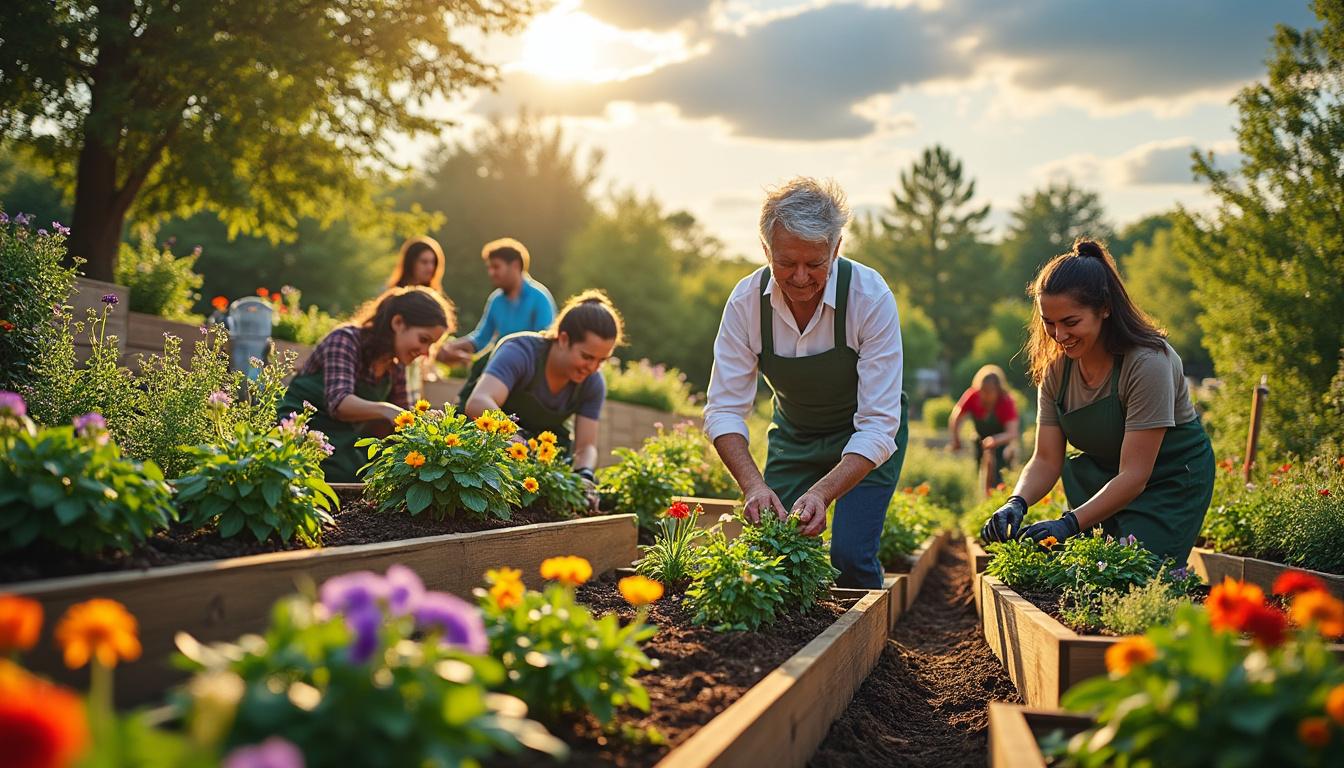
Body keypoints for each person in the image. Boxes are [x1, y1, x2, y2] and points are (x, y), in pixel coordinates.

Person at [703, 177, 907, 589]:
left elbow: (879, 425)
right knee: (772, 552)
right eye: (785, 262)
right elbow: (724, 409)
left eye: (814, 263)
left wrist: (823, 493)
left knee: (850, 556)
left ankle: (870, 647)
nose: (799, 277)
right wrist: (754, 487)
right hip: (794, 436)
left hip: (865, 442)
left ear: (837, 247)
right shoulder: (746, 304)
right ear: (766, 251)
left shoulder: (868, 297)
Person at [980, 238, 1215, 565]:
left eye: (1071, 322)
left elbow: (1135, 474)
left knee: (1131, 571)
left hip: (1168, 482)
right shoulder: (1056, 370)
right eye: (1049, 322)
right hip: (1107, 479)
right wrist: (1016, 502)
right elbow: (1046, 459)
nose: (1059, 336)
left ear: (1105, 309)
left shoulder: (1148, 363)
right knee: (1084, 569)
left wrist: (1068, 524)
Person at [459, 290, 622, 508]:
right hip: (485, 444)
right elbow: (478, 402)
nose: (592, 367)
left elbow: (586, 445)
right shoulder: (520, 351)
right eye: (587, 356)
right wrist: (517, 438)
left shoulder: (593, 383)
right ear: (563, 339)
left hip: (535, 458)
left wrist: (584, 477)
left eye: (602, 360)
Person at [278, 287, 454, 482]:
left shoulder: (396, 365)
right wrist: (386, 410)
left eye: (431, 345)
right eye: (423, 340)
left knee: (380, 471)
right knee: (346, 473)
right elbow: (339, 404)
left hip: (342, 437)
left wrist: (426, 423)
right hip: (300, 428)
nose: (425, 352)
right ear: (398, 323)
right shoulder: (345, 340)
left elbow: (402, 419)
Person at [437, 238, 556, 368]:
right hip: (502, 368)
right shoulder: (496, 300)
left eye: (496, 267)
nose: (491, 273)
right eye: (489, 268)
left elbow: (543, 343)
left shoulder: (540, 298)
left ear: (515, 265)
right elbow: (481, 338)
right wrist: (446, 347)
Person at [385, 235, 447, 403]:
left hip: (417, 367)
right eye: (424, 262)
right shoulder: (396, 296)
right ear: (411, 262)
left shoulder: (433, 298)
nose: (430, 267)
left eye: (433, 262)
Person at [949, 365, 1020, 488]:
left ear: (998, 390)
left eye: (990, 391)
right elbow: (956, 418)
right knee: (980, 473)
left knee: (1001, 474)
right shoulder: (972, 395)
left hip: (1002, 441)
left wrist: (994, 440)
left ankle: (1000, 494)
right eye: (983, 391)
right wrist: (956, 440)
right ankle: (983, 496)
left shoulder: (1006, 401)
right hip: (980, 439)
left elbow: (1012, 433)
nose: (985, 395)